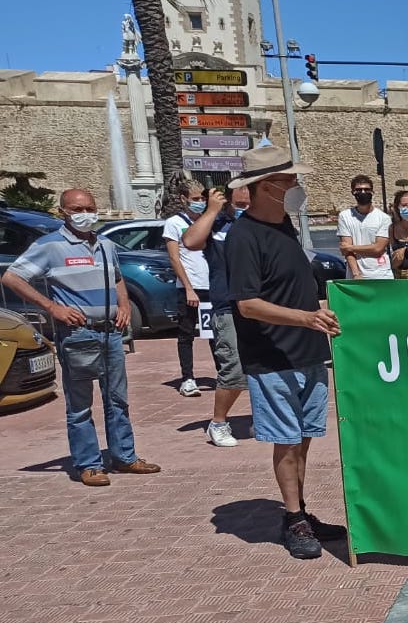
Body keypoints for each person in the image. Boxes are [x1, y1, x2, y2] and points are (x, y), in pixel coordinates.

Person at [224, 146, 345, 560]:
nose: (296, 186)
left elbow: (297, 292)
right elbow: (247, 304)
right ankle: (293, 517)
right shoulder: (242, 237)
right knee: (286, 442)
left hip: (310, 355)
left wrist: (322, 311)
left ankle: (300, 511)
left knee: (303, 441)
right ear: (263, 187)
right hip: (272, 359)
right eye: (287, 180)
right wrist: (306, 319)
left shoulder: (286, 229)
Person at [1, 189, 162, 486]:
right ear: (63, 211)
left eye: (89, 207)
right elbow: (12, 277)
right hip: (78, 334)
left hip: (110, 332)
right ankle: (88, 463)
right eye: (77, 208)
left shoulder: (105, 245)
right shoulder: (50, 246)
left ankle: (124, 456)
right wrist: (52, 307)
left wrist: (124, 303)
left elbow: (117, 277)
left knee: (117, 399)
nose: (85, 213)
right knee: (80, 404)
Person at [178, 184, 250, 447]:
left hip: (259, 305)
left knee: (262, 368)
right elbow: (190, 242)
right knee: (234, 369)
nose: (244, 210)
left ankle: (262, 418)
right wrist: (211, 210)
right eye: (240, 205)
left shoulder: (259, 222)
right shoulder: (216, 224)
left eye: (248, 205)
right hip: (227, 306)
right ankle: (218, 423)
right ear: (228, 201)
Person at [163, 179, 211, 398]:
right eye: (195, 199)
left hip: (211, 285)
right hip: (189, 287)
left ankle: (224, 373)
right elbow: (174, 258)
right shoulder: (174, 223)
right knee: (186, 333)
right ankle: (188, 378)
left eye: (202, 198)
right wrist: (188, 288)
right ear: (184, 199)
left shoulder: (209, 221)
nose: (200, 202)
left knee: (216, 334)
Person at [337, 174, 393, 280]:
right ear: (353, 192)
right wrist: (356, 273)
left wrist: (351, 247)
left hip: (381, 274)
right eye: (359, 190)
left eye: (366, 189)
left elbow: (378, 248)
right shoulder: (345, 216)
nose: (363, 192)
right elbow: (347, 251)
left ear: (372, 192)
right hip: (356, 276)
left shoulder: (383, 218)